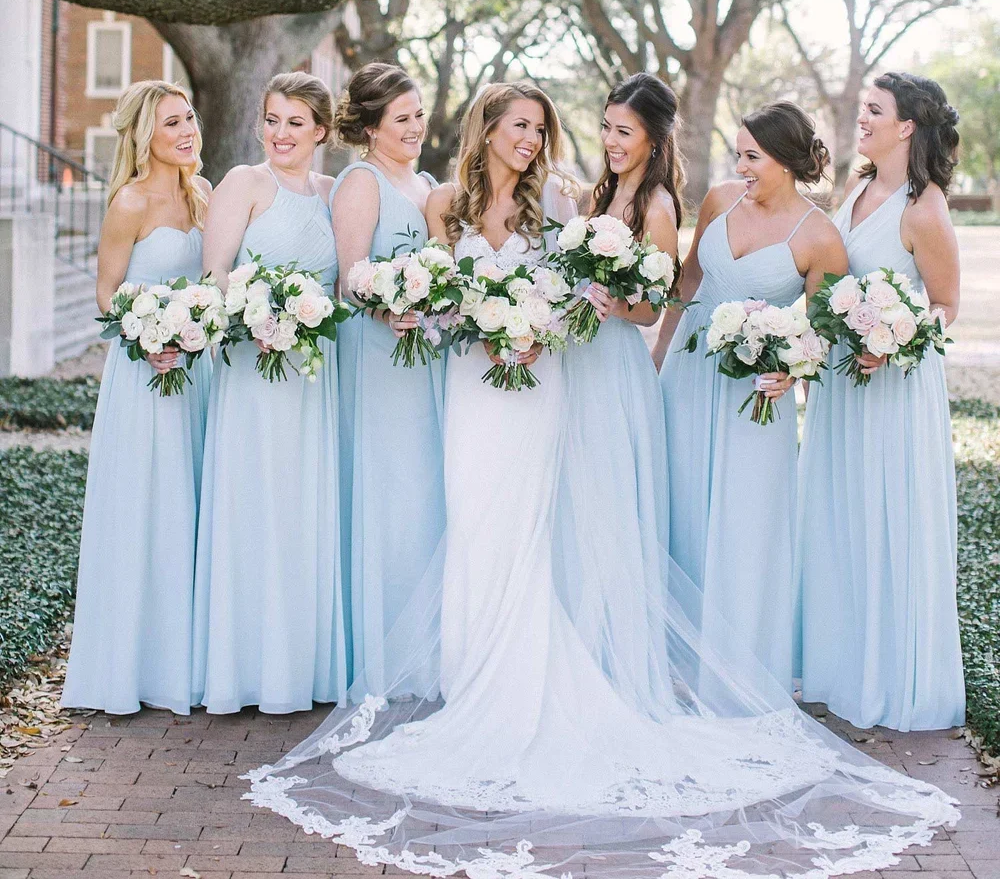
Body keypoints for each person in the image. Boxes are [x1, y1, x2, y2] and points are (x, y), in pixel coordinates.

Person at [244, 86, 955, 879]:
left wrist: (550, 316)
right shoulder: (467, 200)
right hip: (479, 384)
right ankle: (475, 667)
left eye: (544, 128)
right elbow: (441, 286)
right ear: (490, 129)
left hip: (554, 377)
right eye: (525, 126)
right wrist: (470, 318)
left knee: (546, 519)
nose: (539, 139)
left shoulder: (571, 200)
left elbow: (629, 296)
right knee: (484, 517)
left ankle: (549, 668)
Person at [654, 102, 847, 689]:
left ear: (786, 162)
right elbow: (688, 280)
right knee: (681, 501)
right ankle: (669, 657)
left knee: (745, 521)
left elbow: (821, 330)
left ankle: (736, 666)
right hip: (688, 373)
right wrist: (658, 358)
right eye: (738, 153)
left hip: (755, 393)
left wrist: (792, 370)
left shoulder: (819, 237)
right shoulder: (718, 200)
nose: (741, 166)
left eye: (752, 156)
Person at [796, 71, 965, 730]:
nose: (861, 119)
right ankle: (841, 668)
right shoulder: (858, 186)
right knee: (840, 511)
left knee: (886, 514)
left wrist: (901, 340)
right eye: (863, 108)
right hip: (841, 379)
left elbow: (948, 305)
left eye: (874, 110)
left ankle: (891, 679)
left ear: (907, 127)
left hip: (894, 386)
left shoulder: (925, 208)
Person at [193, 71, 346, 714]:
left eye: (295, 123)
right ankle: (244, 670)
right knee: (254, 500)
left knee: (302, 505)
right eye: (272, 119)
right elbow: (214, 274)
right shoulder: (244, 183)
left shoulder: (334, 193)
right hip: (254, 373)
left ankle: (300, 669)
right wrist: (257, 317)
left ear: (321, 132)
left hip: (315, 379)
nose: (279, 133)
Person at [62, 81, 211, 716]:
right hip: (144, 374)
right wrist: (150, 333)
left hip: (196, 371)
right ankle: (130, 666)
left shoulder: (202, 194)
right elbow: (106, 293)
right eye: (172, 122)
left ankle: (186, 661)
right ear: (146, 134)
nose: (187, 130)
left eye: (190, 118)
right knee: (147, 504)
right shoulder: (129, 201)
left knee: (191, 504)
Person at [559, 73, 679, 692]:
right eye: (606, 126)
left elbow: (651, 310)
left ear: (654, 139)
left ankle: (613, 665)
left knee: (606, 502)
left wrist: (612, 302)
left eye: (623, 132)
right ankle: (570, 651)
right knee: (571, 501)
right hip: (575, 362)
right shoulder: (596, 197)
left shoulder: (656, 209)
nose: (610, 139)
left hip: (613, 367)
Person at [331, 63, 445, 695]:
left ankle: (421, 646)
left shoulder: (426, 182)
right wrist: (387, 304)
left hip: (423, 353)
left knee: (422, 488)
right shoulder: (361, 181)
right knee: (389, 487)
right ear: (371, 127)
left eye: (419, 114)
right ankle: (378, 651)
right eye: (401, 118)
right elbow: (351, 276)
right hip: (377, 355)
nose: (415, 127)